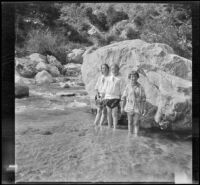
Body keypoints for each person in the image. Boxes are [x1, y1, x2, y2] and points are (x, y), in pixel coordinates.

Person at [121, 70, 146, 136]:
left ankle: (136, 135)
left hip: (137, 107)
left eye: (135, 76)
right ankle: (130, 134)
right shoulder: (127, 86)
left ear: (137, 77)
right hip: (129, 106)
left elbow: (143, 99)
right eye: (132, 77)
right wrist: (122, 107)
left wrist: (143, 109)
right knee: (130, 122)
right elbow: (124, 97)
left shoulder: (140, 87)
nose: (133, 78)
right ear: (130, 77)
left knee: (136, 122)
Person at [101, 64, 124, 130]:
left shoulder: (121, 78)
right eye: (112, 69)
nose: (114, 70)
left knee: (114, 114)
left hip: (115, 97)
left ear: (118, 69)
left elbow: (122, 89)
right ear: (111, 70)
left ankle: (115, 128)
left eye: (115, 69)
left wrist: (122, 98)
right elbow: (104, 88)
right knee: (108, 113)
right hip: (107, 97)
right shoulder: (108, 78)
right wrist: (102, 97)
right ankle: (109, 126)